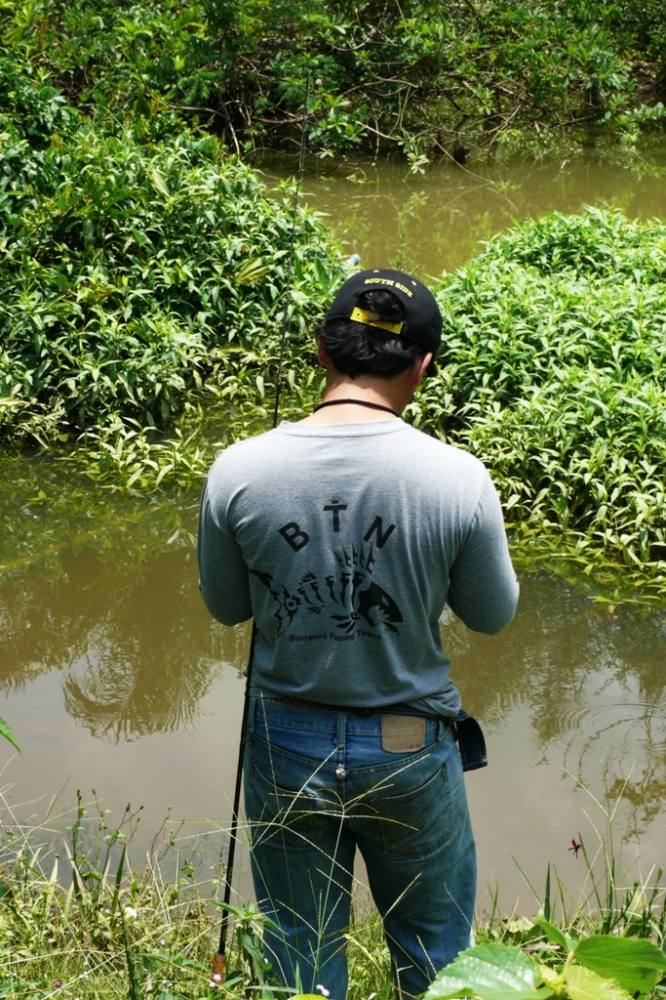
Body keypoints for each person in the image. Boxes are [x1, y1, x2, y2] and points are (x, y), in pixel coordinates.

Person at [198, 268, 519, 998]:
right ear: (422, 366)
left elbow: (225, 608)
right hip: (411, 747)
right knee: (437, 955)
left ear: (321, 351)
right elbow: (493, 616)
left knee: (301, 958)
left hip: (285, 746)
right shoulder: (458, 478)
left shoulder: (236, 471)